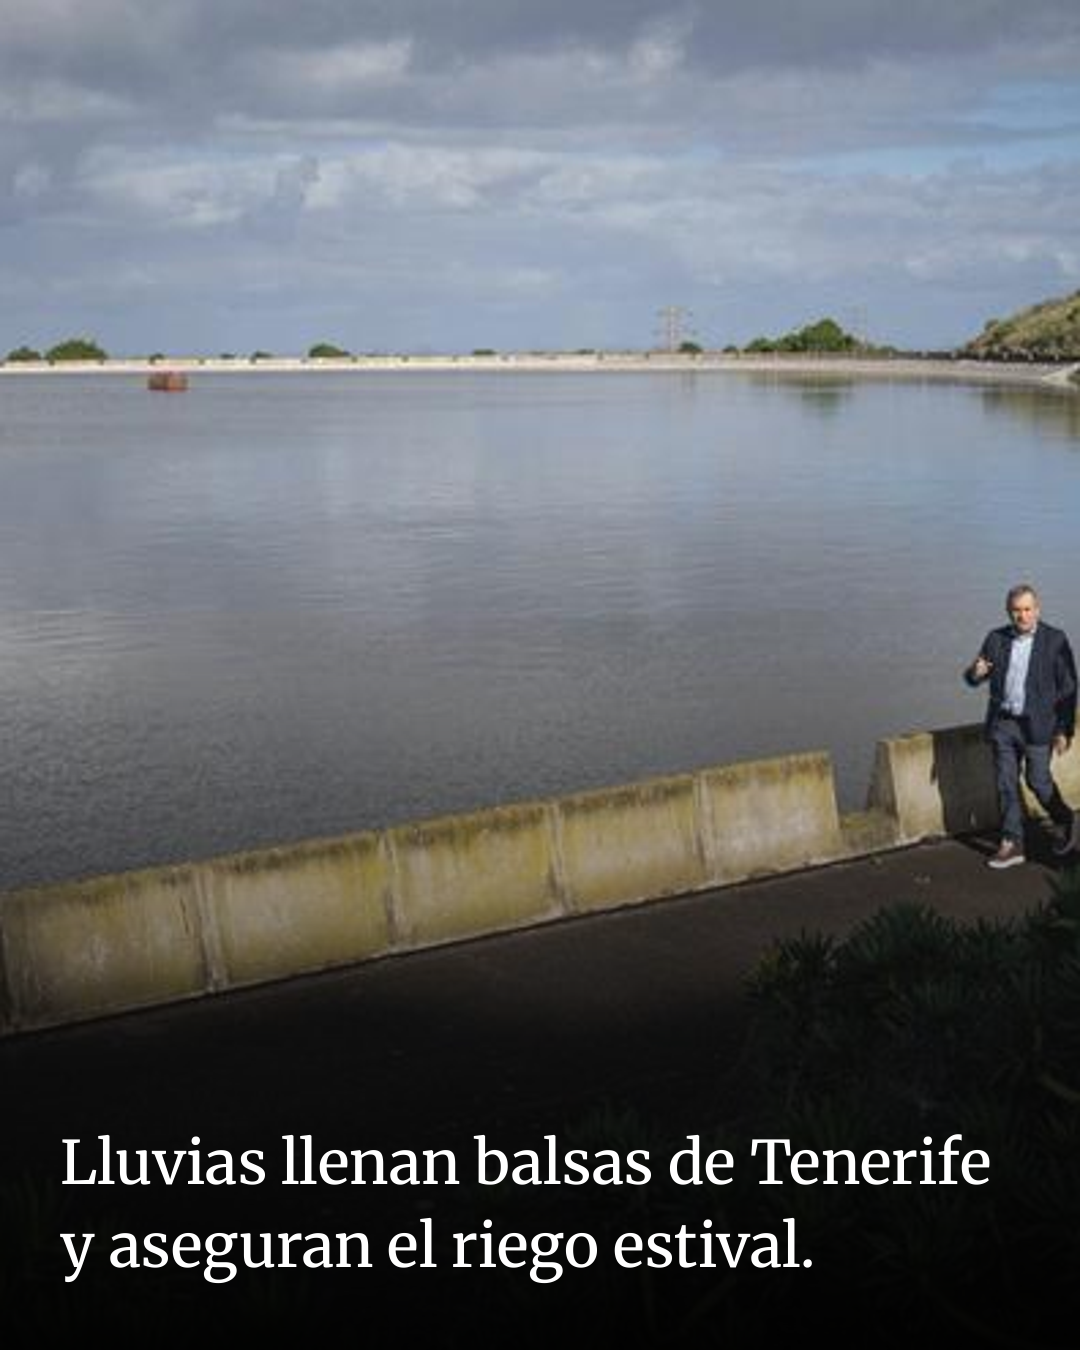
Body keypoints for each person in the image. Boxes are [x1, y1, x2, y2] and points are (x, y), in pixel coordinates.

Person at [964, 583, 1078, 868]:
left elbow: (1068, 688)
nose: (1022, 616)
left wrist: (1063, 729)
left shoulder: (1055, 640)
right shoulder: (996, 638)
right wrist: (975, 673)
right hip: (1003, 723)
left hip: (1038, 725)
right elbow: (973, 676)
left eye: (1027, 609)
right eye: (1016, 610)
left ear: (1037, 610)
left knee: (1038, 781)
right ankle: (1012, 843)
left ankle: (1065, 819)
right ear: (1009, 612)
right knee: (1005, 783)